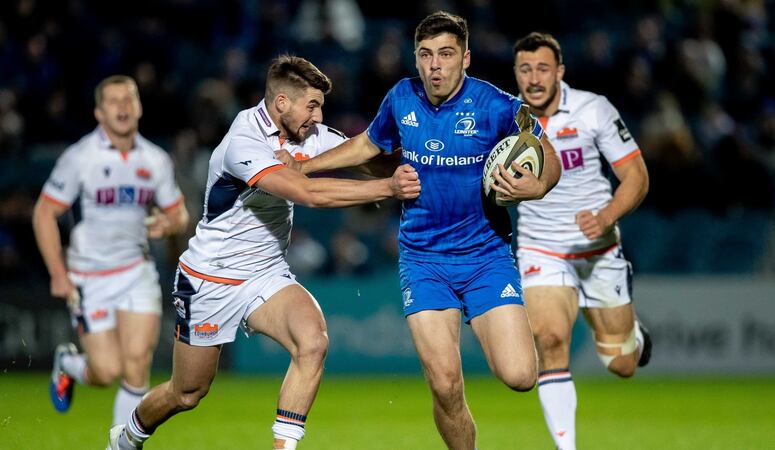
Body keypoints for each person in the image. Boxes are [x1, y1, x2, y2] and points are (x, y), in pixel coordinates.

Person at [105, 55, 421, 450]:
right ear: (281, 103)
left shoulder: (310, 135)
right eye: (312, 105)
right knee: (187, 392)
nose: (318, 115)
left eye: (321, 105)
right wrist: (388, 189)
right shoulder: (243, 142)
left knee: (313, 340)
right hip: (209, 278)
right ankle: (126, 438)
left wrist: (426, 158)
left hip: (266, 274)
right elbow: (307, 193)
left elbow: (369, 161)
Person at [278, 12, 561, 450]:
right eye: (426, 55)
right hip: (423, 260)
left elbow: (546, 150)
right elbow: (368, 144)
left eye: (446, 54)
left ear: (465, 58)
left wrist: (538, 184)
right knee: (446, 385)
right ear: (416, 58)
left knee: (521, 375)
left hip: (486, 257)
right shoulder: (401, 98)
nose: (435, 65)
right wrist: (306, 167)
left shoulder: (498, 105)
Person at [511, 32, 652, 450]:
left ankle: (635, 336)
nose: (534, 79)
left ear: (560, 72)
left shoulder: (593, 109)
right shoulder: (506, 117)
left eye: (542, 69)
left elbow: (637, 177)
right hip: (540, 247)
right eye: (524, 69)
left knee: (622, 364)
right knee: (550, 340)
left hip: (599, 249)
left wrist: (606, 216)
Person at [32, 75, 190, 425]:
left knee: (136, 366)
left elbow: (178, 212)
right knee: (106, 372)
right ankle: (69, 364)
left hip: (136, 271)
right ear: (99, 113)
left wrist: (171, 223)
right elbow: (44, 212)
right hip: (89, 275)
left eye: (128, 99)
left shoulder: (155, 160)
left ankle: (119, 445)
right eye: (113, 101)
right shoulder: (80, 158)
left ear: (139, 107)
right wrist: (58, 273)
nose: (122, 107)